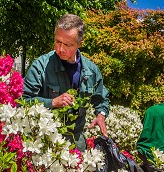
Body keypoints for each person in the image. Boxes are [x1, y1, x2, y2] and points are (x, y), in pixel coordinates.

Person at [22, 14, 110, 152]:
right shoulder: (40, 66)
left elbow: (101, 99)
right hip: (43, 144)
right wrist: (52, 103)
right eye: (58, 42)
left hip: (76, 145)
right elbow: (23, 101)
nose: (60, 49)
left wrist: (101, 115)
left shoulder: (92, 71)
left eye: (67, 44)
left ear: (80, 44)